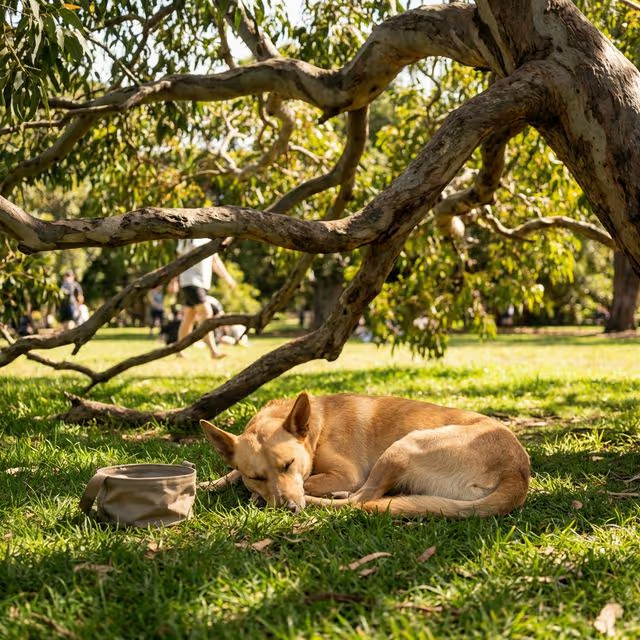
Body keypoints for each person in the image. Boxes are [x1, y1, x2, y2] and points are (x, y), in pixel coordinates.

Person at [176, 238, 236, 359]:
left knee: (189, 317)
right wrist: (173, 280)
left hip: (203, 283)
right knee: (206, 313)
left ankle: (179, 350)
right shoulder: (188, 236)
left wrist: (228, 278)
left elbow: (215, 261)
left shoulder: (209, 239)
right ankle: (214, 351)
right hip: (190, 281)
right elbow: (179, 259)